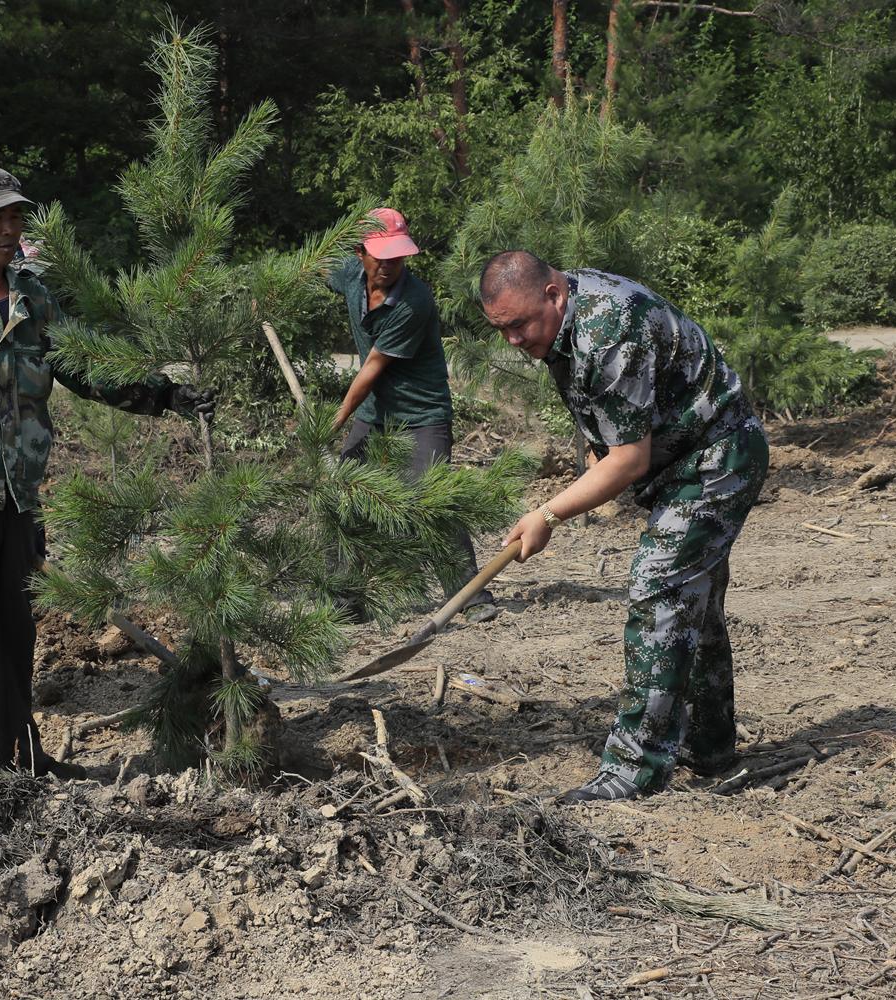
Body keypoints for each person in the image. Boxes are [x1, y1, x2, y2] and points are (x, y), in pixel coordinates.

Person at [0, 165, 213, 778]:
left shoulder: (33, 297)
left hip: (19, 494)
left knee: (16, 630)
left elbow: (84, 366)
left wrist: (161, 394)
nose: (10, 228)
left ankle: (17, 755)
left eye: (16, 216)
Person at [479, 250, 768, 803]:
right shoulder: (560, 325)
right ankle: (710, 749)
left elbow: (628, 459)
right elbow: (605, 427)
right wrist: (584, 480)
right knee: (693, 606)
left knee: (658, 592)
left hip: (717, 458)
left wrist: (548, 514)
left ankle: (634, 771)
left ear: (553, 294)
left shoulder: (611, 328)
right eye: (501, 330)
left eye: (518, 325)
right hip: (683, 459)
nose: (513, 341)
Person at [328, 207, 498, 624]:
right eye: (379, 256)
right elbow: (314, 269)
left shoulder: (414, 301)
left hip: (422, 412)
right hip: (376, 412)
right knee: (341, 495)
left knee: (431, 500)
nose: (388, 265)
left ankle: (469, 596)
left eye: (397, 256)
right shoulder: (349, 274)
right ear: (360, 253)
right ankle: (345, 600)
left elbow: (370, 369)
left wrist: (333, 421)